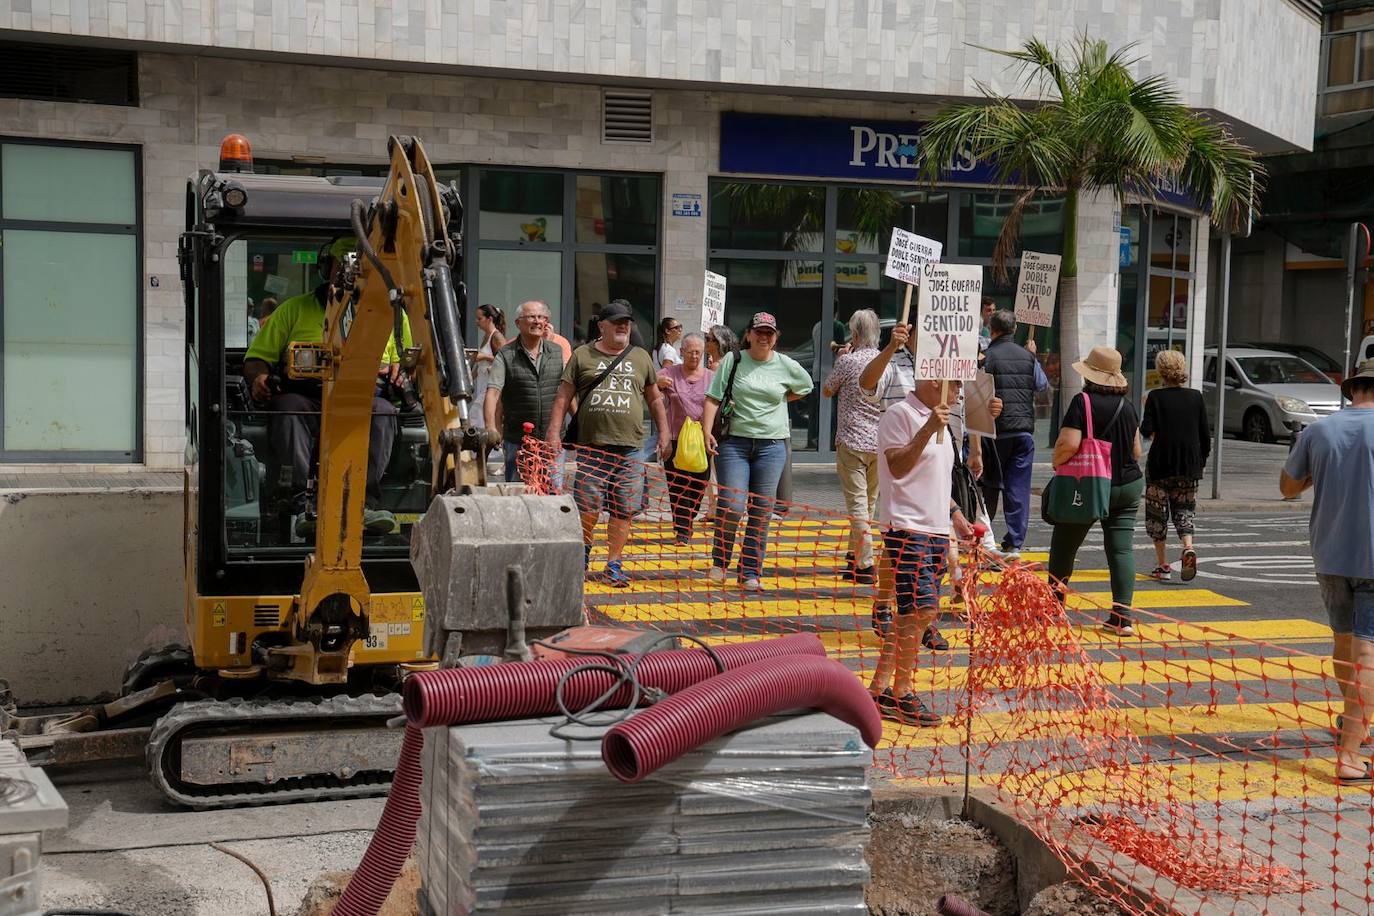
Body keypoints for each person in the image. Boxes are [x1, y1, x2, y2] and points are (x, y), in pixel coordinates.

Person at [242, 236, 404, 536]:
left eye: (357, 269)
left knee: (383, 413)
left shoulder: (389, 315)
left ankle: (363, 501)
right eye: (341, 267)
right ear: (325, 268)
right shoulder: (293, 309)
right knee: (287, 410)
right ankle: (306, 501)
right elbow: (256, 358)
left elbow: (410, 355)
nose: (349, 275)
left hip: (363, 396)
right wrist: (259, 377)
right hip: (307, 396)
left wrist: (403, 369)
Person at [1280, 358, 1374, 784]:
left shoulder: (1318, 430)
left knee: (1343, 642)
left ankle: (1356, 721)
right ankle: (1351, 755)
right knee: (1368, 652)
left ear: (1352, 389)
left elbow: (1287, 487)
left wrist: (1320, 475)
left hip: (1330, 553)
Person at [867, 377, 974, 726]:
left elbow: (937, 480)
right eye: (955, 383)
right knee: (921, 611)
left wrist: (955, 513)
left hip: (935, 530)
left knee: (915, 614)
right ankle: (902, 691)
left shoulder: (943, 422)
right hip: (907, 528)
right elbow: (897, 467)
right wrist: (928, 428)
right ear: (933, 381)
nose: (959, 390)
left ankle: (881, 687)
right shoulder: (900, 414)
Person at [546, 301, 671, 586]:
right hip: (593, 448)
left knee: (623, 509)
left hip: (631, 448)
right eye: (616, 321)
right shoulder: (582, 355)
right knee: (588, 507)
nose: (623, 326)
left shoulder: (640, 357)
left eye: (626, 321)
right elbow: (563, 397)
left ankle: (614, 563)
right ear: (601, 325)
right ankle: (584, 553)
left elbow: (654, 398)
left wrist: (664, 433)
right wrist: (554, 433)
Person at [701, 312, 813, 591]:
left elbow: (806, 386)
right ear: (749, 334)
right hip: (734, 443)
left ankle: (750, 570)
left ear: (776, 337)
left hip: (772, 446)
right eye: (759, 332)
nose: (764, 337)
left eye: (769, 333)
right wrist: (706, 431)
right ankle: (721, 559)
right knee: (732, 506)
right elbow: (713, 397)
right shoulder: (734, 360)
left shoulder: (786, 364)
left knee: (762, 510)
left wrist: (782, 398)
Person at [1046, 346, 1144, 635]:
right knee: (1121, 549)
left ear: (1090, 375)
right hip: (1127, 485)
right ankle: (1122, 617)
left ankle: (1054, 609)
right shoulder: (1128, 406)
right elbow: (1137, 451)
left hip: (1087, 486)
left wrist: (1057, 462)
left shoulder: (1083, 402)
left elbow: (1069, 444)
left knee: (1064, 546)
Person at [980, 310, 1049, 560]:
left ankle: (985, 538)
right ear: (1015, 329)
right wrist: (1031, 357)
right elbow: (1042, 386)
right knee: (1018, 488)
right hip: (1023, 431)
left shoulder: (987, 357)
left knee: (989, 485)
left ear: (992, 329)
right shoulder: (1028, 358)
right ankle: (1015, 542)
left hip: (995, 431)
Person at [821, 309, 883, 585]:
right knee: (867, 504)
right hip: (881, 441)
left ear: (855, 334)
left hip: (852, 440)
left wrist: (841, 359)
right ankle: (854, 558)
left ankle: (867, 563)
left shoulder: (849, 362)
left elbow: (827, 389)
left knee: (858, 505)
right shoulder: (886, 362)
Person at [1140, 349, 1210, 581]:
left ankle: (1163, 566)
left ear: (1160, 371)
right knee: (1184, 511)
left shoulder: (1155, 397)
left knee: (1157, 515)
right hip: (1189, 465)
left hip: (1161, 464)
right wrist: (1201, 461)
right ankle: (1188, 546)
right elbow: (1204, 435)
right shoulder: (1196, 397)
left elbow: (1146, 430)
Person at [485, 300, 565, 484]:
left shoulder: (557, 352)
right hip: (518, 441)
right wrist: (491, 427)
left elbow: (566, 392)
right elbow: (493, 393)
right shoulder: (506, 355)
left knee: (553, 495)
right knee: (519, 495)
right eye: (531, 317)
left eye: (541, 317)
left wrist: (578, 423)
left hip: (551, 439)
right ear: (518, 323)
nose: (537, 321)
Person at [658, 332, 714, 545]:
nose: (694, 356)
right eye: (690, 352)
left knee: (699, 483)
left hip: (702, 439)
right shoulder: (669, 372)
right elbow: (648, 381)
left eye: (698, 352)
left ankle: (689, 517)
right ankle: (682, 529)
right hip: (675, 438)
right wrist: (657, 380)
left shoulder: (711, 377)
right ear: (681, 352)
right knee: (677, 485)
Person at [471, 304, 508, 431]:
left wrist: (485, 357)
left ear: (489, 319)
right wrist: (471, 377)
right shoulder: (486, 336)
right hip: (482, 385)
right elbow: (481, 365)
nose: (476, 322)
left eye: (479, 318)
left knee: (477, 418)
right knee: (477, 419)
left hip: (491, 387)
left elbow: (505, 360)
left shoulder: (497, 337)